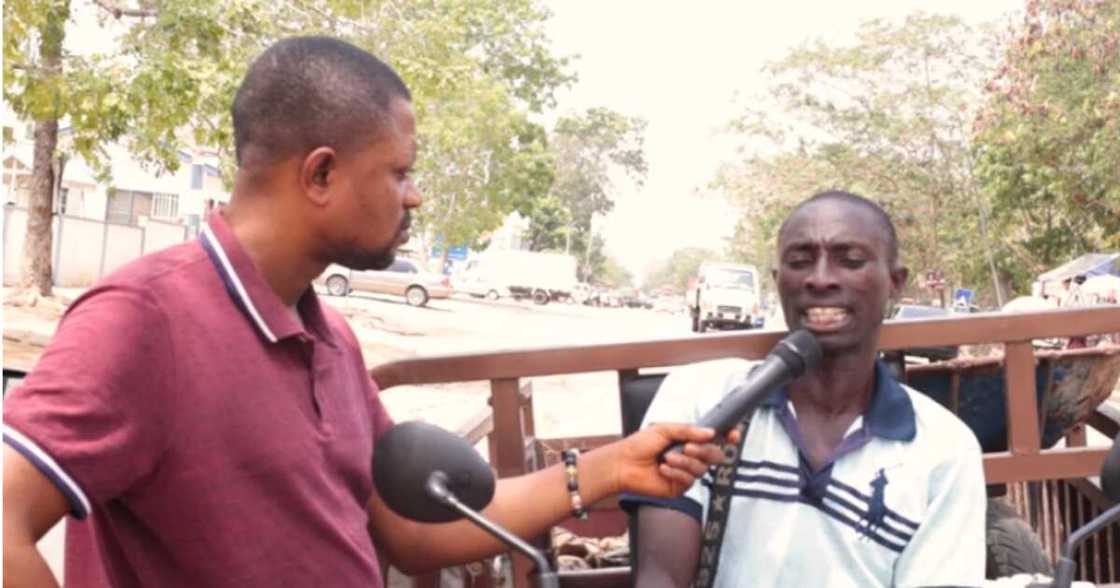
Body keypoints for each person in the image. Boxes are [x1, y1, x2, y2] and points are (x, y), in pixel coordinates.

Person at [2, 36, 729, 587]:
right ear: (320, 173)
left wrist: (607, 471)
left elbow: (411, 531)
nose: (413, 197)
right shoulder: (144, 318)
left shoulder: (329, 338)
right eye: (400, 173)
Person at [627, 191, 986, 587]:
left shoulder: (946, 450)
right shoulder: (701, 397)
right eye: (799, 262)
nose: (820, 278)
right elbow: (660, 579)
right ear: (779, 282)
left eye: (850, 261)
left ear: (895, 282)